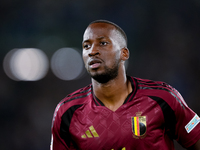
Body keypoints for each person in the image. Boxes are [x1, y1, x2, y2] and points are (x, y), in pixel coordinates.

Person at [50, 20, 200, 150]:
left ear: (124, 53)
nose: (92, 51)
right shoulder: (67, 113)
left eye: (102, 43)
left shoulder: (163, 98)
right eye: (86, 46)